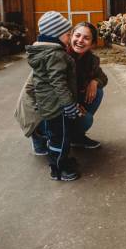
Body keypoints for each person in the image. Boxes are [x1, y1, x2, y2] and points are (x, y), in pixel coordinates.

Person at [25, 11, 81, 182]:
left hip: (47, 104)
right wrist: (69, 104)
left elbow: (43, 81)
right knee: (60, 138)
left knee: (54, 136)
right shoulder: (55, 54)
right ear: (55, 35)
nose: (69, 37)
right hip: (58, 107)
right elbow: (59, 83)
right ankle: (59, 169)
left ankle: (59, 161)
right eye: (67, 34)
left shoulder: (42, 52)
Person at [67, 22, 108, 148]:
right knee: (86, 119)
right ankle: (40, 137)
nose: (80, 40)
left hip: (69, 103)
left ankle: (76, 137)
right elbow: (55, 88)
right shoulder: (61, 56)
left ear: (93, 43)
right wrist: (74, 104)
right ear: (71, 37)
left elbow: (103, 78)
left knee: (98, 91)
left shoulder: (90, 60)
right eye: (77, 35)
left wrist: (95, 82)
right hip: (49, 106)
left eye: (86, 38)